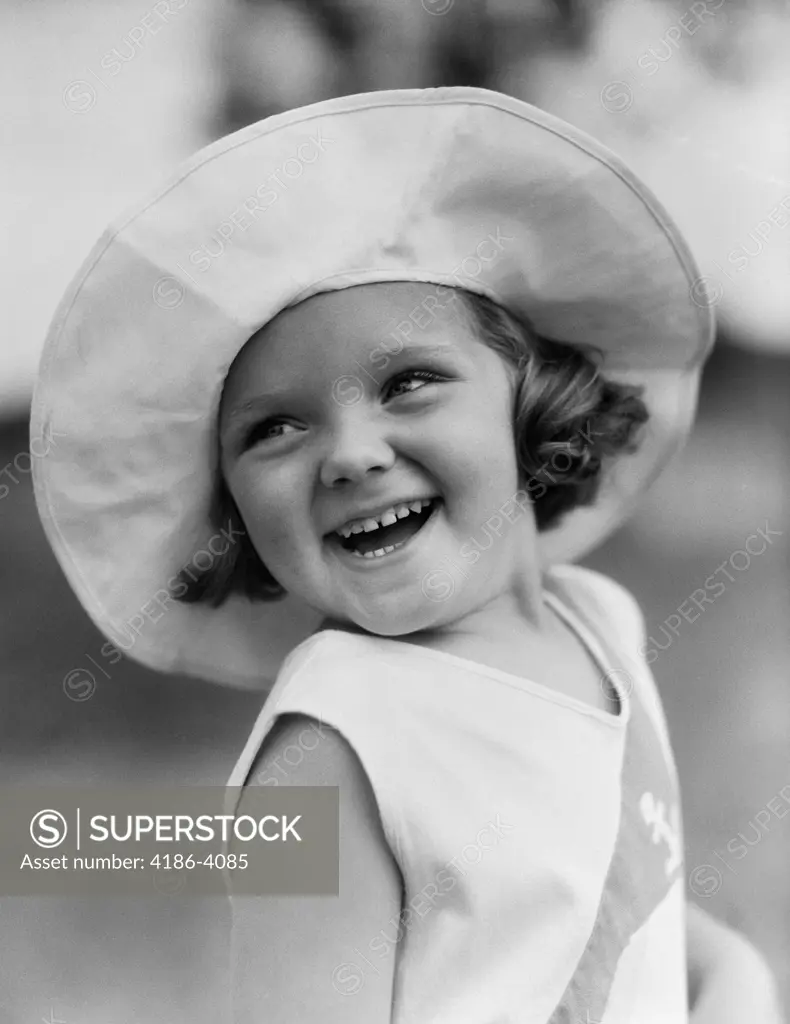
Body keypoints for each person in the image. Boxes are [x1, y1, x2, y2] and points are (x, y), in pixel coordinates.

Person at [31, 88, 783, 1023]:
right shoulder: (329, 749)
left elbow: (628, 906)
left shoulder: (599, 624)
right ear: (235, 510)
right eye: (274, 429)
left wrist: (739, 978)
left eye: (410, 381)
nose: (350, 454)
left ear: (531, 399)